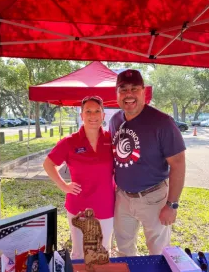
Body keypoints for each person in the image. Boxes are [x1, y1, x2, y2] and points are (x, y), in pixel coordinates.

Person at [109, 69, 186, 256]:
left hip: (154, 198)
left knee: (158, 253)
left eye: (134, 89)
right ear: (117, 94)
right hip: (123, 197)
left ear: (144, 91)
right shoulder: (114, 120)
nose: (128, 94)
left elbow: (178, 164)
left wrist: (172, 205)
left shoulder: (162, 122)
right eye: (123, 89)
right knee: (124, 249)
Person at [43, 96, 115, 259]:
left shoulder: (111, 140)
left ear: (103, 115)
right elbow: (48, 164)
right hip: (79, 206)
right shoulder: (70, 142)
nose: (93, 115)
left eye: (97, 111)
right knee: (80, 253)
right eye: (88, 111)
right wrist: (64, 186)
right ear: (81, 115)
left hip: (106, 205)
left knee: (103, 251)